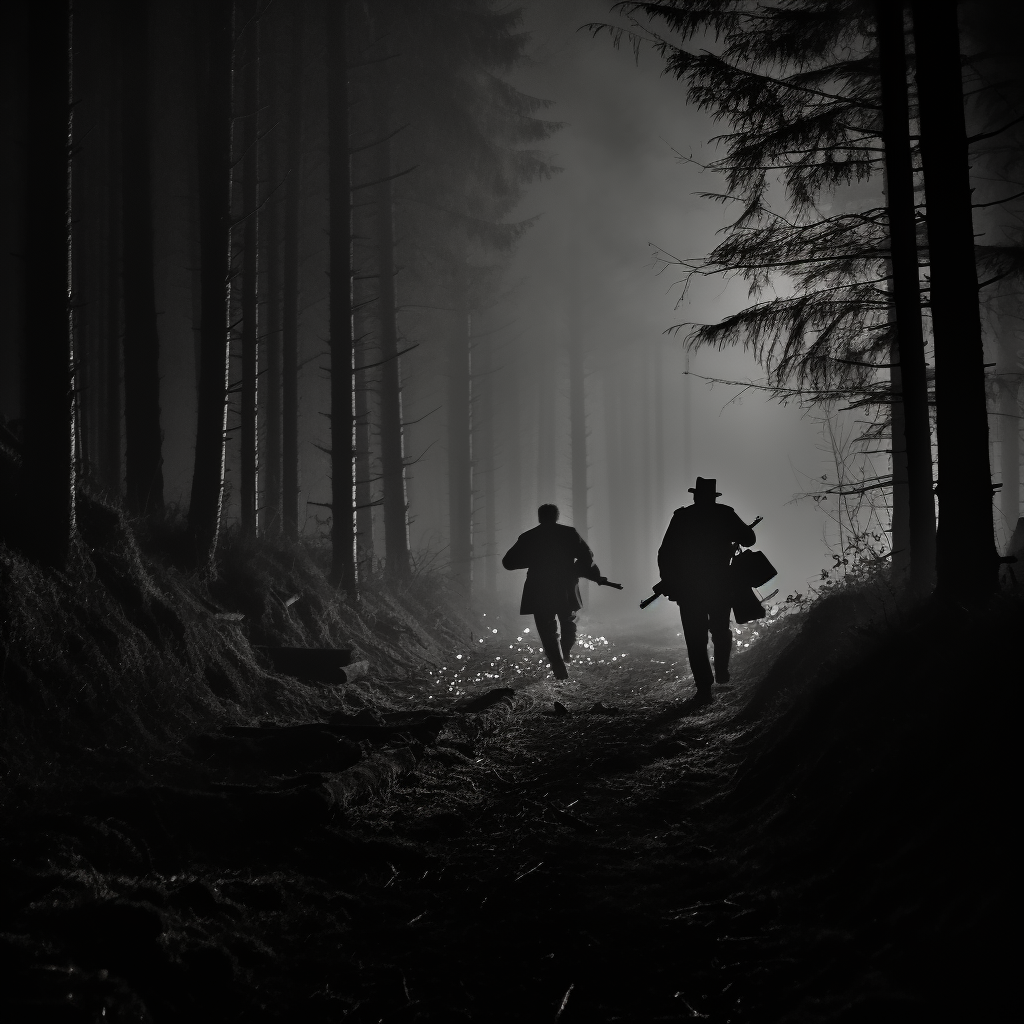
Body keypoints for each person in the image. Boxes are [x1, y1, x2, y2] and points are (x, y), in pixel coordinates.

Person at [657, 477, 757, 697]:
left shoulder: (682, 517)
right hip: (720, 585)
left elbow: (665, 553)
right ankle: (721, 670)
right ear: (713, 497)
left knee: (695, 638)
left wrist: (669, 580)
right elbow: (749, 539)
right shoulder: (725, 513)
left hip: (689, 588)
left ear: (695, 496)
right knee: (721, 630)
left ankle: (703, 687)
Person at [502, 504, 610, 680]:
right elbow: (586, 557)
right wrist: (586, 573)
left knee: (546, 628)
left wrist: (532, 561)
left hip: (538, 587)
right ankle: (565, 652)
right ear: (556, 516)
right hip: (565, 586)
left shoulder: (529, 537)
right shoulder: (569, 533)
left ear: (539, 517)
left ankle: (558, 664)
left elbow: (508, 562)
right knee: (568, 622)